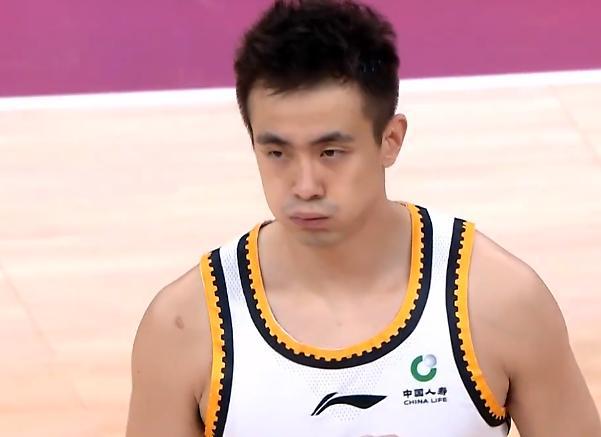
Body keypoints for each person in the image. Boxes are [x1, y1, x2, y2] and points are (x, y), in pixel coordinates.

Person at [126, 1, 601, 436]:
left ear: (390, 140)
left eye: (330, 152)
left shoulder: (500, 302)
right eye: (277, 152)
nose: (305, 185)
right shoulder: (184, 326)